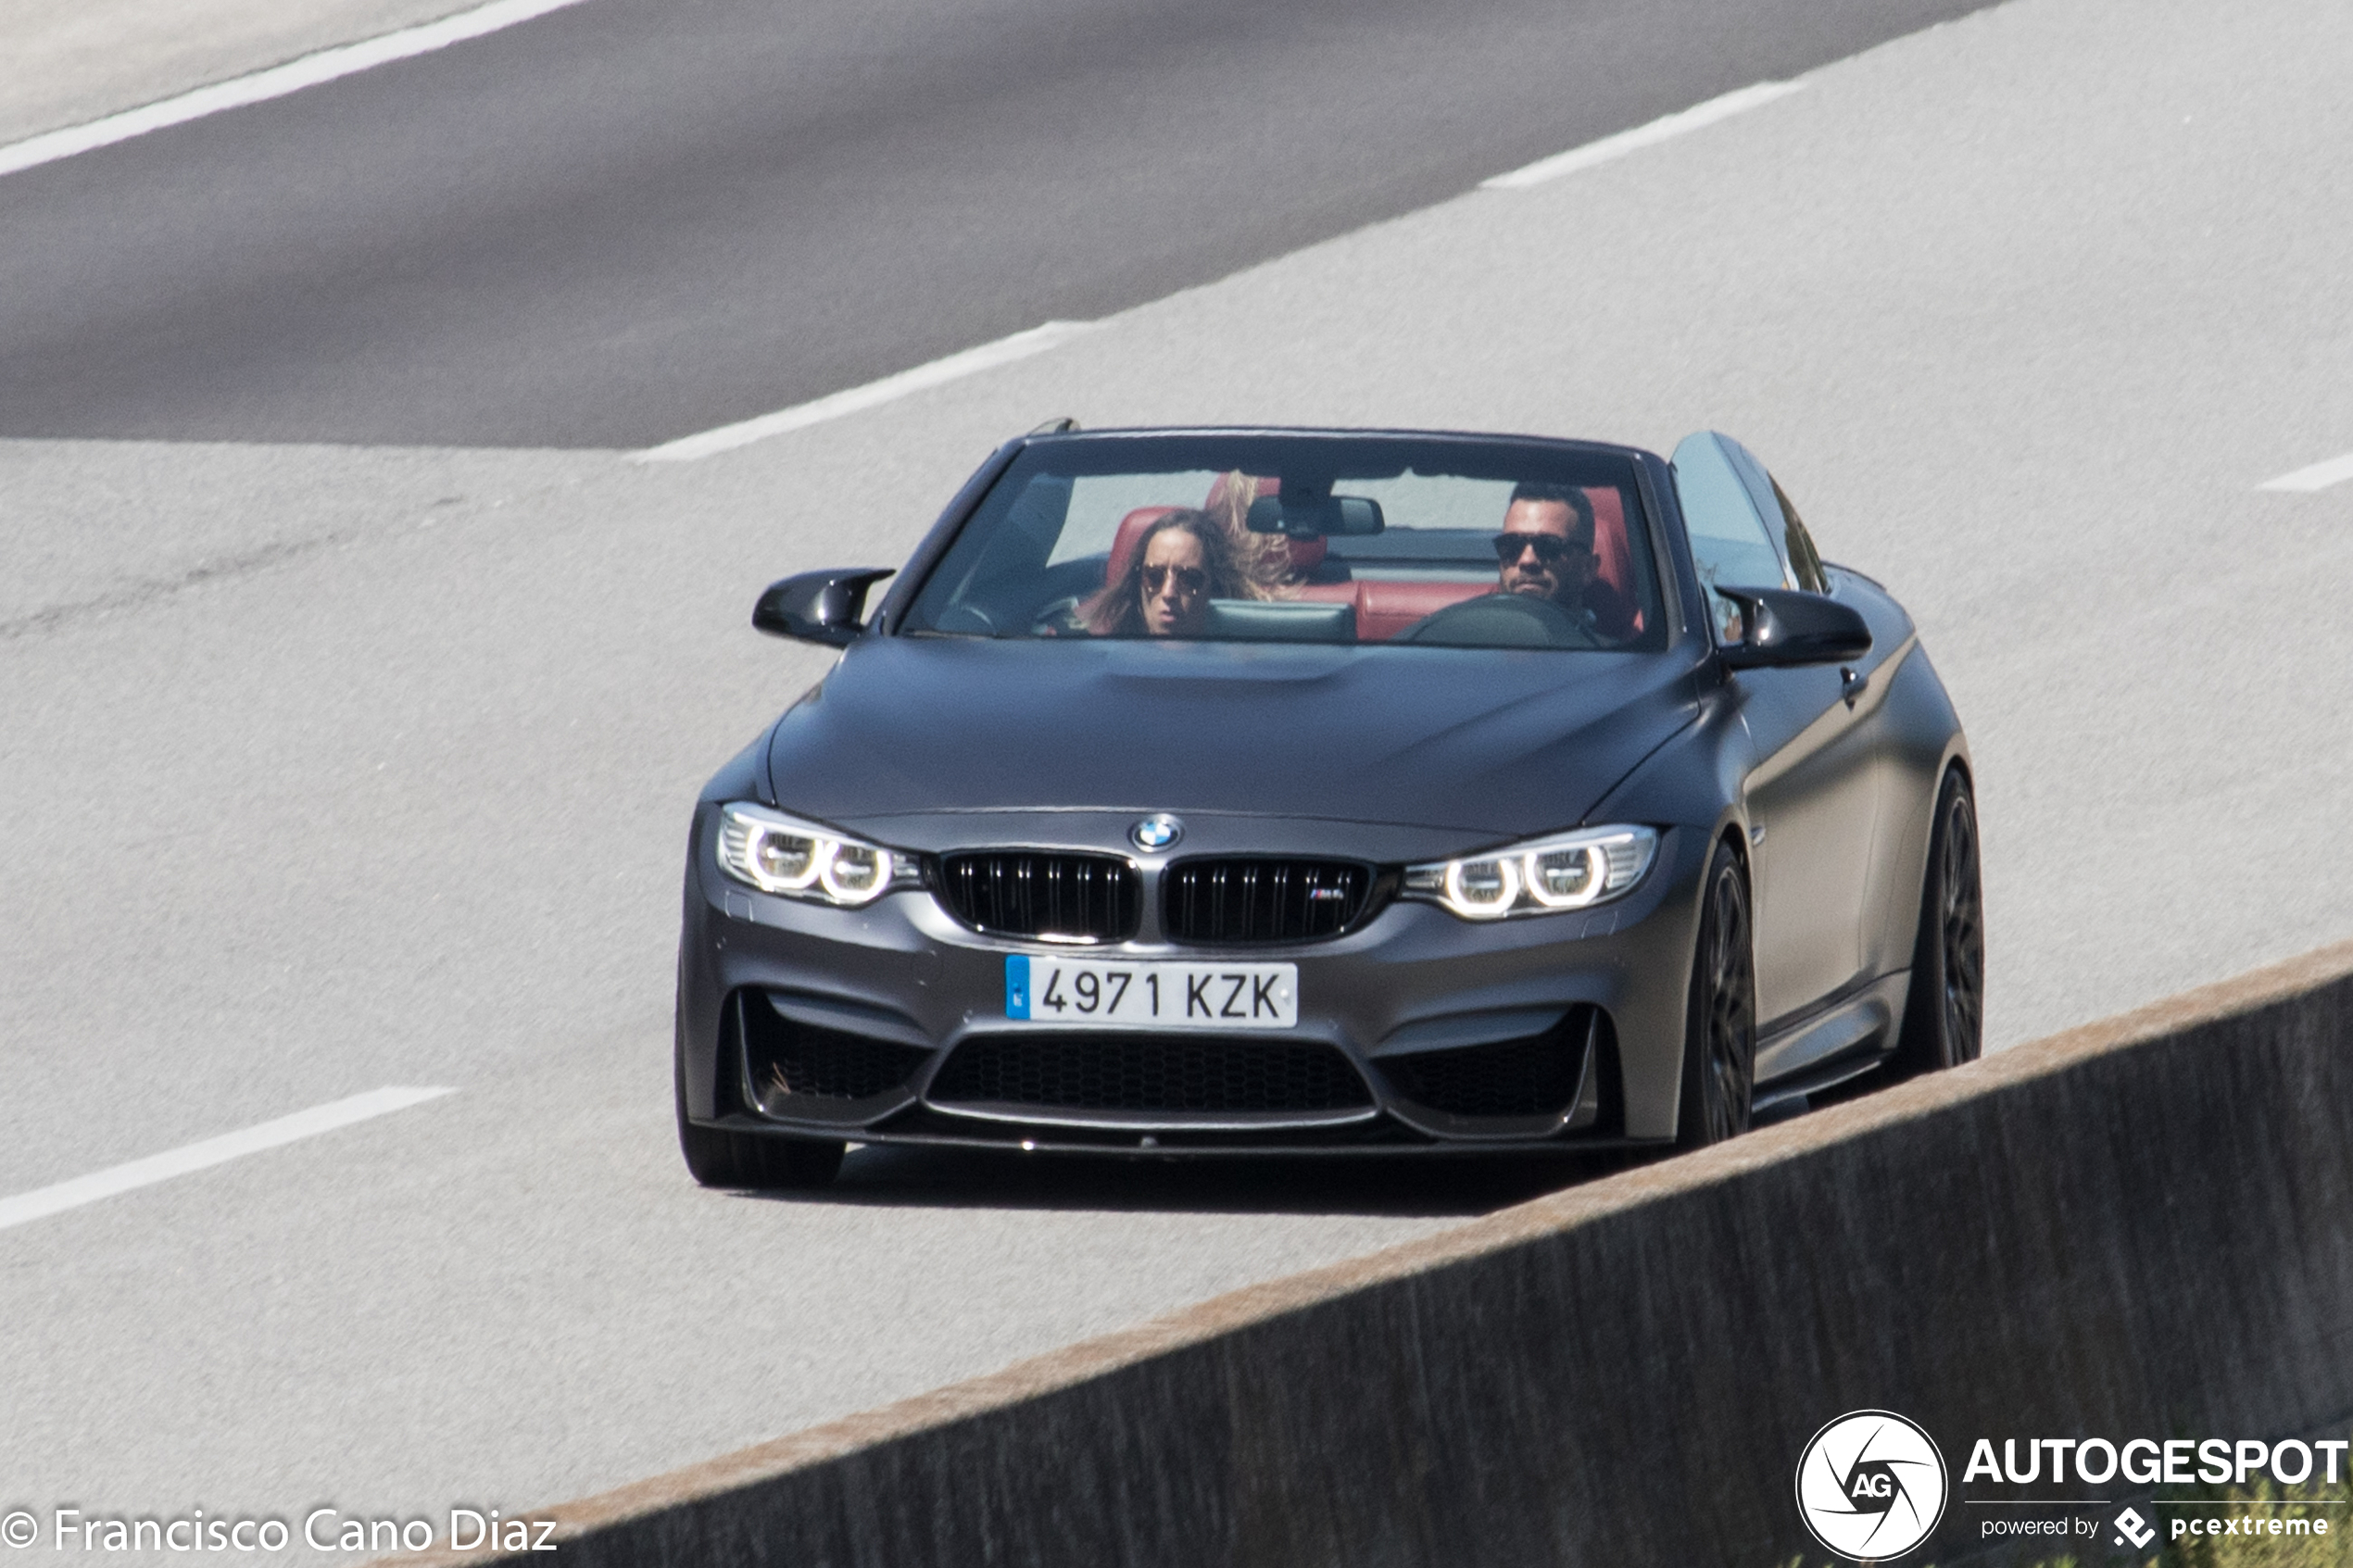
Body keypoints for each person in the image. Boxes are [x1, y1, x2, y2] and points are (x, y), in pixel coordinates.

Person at [1491, 482, 1634, 640]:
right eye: (1512, 545)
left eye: (1549, 546)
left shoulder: (1611, 658)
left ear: (1588, 568)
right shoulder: (1464, 637)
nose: (1527, 560)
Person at [1076, 508, 1252, 637]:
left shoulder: (1240, 671)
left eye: (1188, 579)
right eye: (1153, 576)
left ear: (1215, 590)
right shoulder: (1096, 655)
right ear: (1137, 583)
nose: (1168, 593)